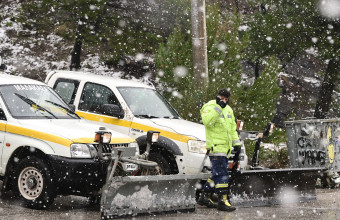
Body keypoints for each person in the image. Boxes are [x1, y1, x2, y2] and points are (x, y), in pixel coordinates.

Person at [198, 88, 241, 212]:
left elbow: (232, 129)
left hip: (226, 148)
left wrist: (236, 143)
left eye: (226, 99)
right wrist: (218, 108)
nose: (224, 101)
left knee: (217, 174)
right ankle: (223, 200)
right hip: (215, 146)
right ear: (217, 96)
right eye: (222, 98)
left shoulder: (229, 109)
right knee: (222, 174)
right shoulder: (210, 106)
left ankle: (204, 197)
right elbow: (207, 122)